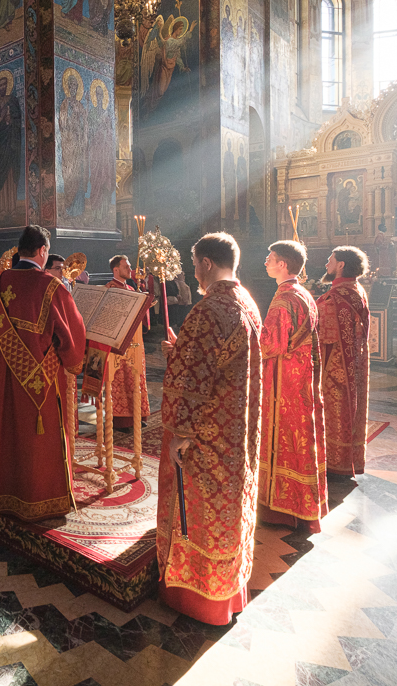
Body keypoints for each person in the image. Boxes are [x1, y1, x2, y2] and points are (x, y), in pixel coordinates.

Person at [156, 232, 262, 625]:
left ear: (204, 263)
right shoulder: (246, 302)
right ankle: (228, 592)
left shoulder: (206, 311)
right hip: (238, 432)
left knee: (198, 511)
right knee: (229, 509)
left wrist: (181, 434)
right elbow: (214, 361)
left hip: (208, 435)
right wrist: (180, 348)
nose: (192, 270)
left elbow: (192, 381)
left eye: (193, 262)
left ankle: (194, 596)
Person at [0, 226, 86, 521]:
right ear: (43, 250)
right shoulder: (50, 285)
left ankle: (1, 493)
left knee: (5, 432)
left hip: (1, 373)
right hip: (41, 378)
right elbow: (71, 334)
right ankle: (39, 497)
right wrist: (74, 361)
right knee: (36, 438)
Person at [257, 241, 326, 532]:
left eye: (270, 258)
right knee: (300, 436)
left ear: (283, 264)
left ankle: (282, 509)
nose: (266, 262)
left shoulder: (283, 298)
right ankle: (303, 505)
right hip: (301, 377)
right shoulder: (304, 294)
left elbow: (269, 343)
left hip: (283, 381)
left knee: (283, 437)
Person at [317, 246, 371, 477]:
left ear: (341, 265)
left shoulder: (337, 296)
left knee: (336, 411)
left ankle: (335, 463)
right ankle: (350, 459)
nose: (326, 264)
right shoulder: (356, 289)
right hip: (355, 363)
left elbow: (323, 333)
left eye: (330, 260)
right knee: (352, 408)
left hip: (335, 366)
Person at [107, 255, 149, 430]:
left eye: (130, 266)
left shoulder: (132, 289)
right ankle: (121, 420)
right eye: (126, 266)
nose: (130, 269)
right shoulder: (109, 289)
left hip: (135, 342)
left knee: (135, 378)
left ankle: (137, 416)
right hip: (118, 343)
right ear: (116, 269)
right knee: (120, 380)